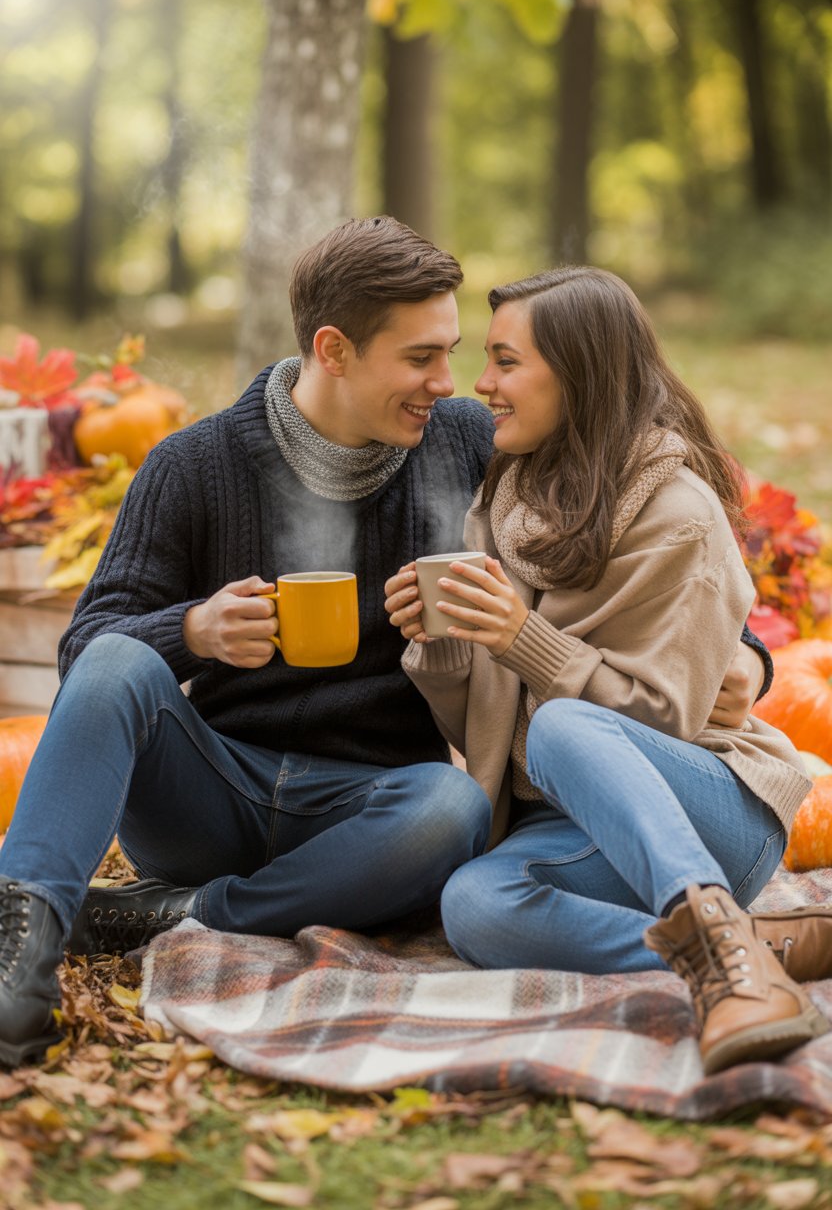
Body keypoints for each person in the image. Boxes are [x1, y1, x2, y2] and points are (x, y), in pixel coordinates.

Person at [0, 222, 768, 1070]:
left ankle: (187, 913)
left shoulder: (472, 445)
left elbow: (647, 531)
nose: (449, 382)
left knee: (453, 807)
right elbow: (87, 657)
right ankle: (18, 951)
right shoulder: (193, 464)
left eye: (454, 352)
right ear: (334, 349)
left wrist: (748, 658)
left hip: (376, 811)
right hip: (210, 789)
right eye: (420, 359)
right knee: (118, 660)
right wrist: (191, 632)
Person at [385, 265, 831, 1075]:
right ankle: (746, 951)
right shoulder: (507, 499)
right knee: (474, 906)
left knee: (564, 724)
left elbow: (661, 721)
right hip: (574, 820)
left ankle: (721, 947)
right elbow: (489, 733)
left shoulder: (678, 516)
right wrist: (446, 648)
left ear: (581, 372)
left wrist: (526, 639)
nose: (481, 384)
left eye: (506, 362)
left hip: (710, 806)